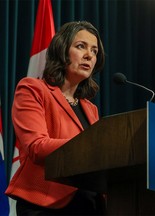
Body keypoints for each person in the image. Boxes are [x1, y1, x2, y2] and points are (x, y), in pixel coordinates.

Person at [5, 21, 107, 215]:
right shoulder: (33, 89)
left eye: (94, 51)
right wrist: (92, 147)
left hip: (90, 205)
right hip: (47, 205)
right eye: (81, 46)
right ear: (62, 51)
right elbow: (37, 146)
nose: (89, 56)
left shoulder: (90, 108)